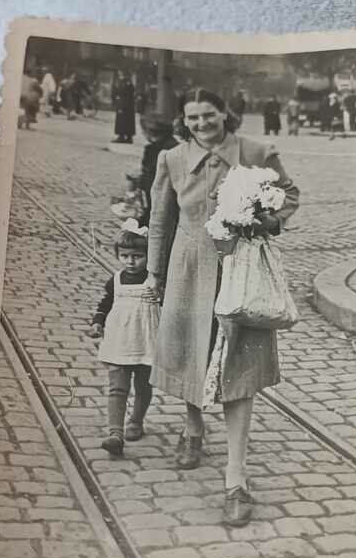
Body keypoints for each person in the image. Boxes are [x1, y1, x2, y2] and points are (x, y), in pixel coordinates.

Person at [146, 89, 299, 526]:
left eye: (208, 115)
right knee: (189, 353)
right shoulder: (171, 159)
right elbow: (160, 220)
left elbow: (289, 195)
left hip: (242, 269)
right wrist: (155, 274)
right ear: (183, 119)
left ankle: (236, 478)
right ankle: (193, 428)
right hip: (189, 268)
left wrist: (266, 218)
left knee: (238, 366)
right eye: (192, 117)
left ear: (224, 114)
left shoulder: (256, 151)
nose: (200, 124)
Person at [90, 222, 159, 455]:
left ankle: (136, 421)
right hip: (119, 341)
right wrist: (97, 322)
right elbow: (106, 303)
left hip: (146, 341)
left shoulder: (154, 280)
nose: (130, 261)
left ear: (149, 256)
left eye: (137, 256)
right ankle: (115, 433)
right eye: (125, 256)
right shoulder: (116, 279)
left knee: (142, 386)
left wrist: (159, 295)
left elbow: (166, 305)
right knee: (117, 388)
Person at [128, 112, 178, 226]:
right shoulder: (176, 146)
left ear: (149, 133)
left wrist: (136, 181)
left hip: (159, 200)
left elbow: (151, 178)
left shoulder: (152, 150)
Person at [113, 73, 136, 143]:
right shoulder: (130, 83)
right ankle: (129, 137)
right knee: (129, 122)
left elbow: (122, 94)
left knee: (121, 121)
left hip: (123, 105)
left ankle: (121, 137)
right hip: (130, 107)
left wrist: (121, 106)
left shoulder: (123, 83)